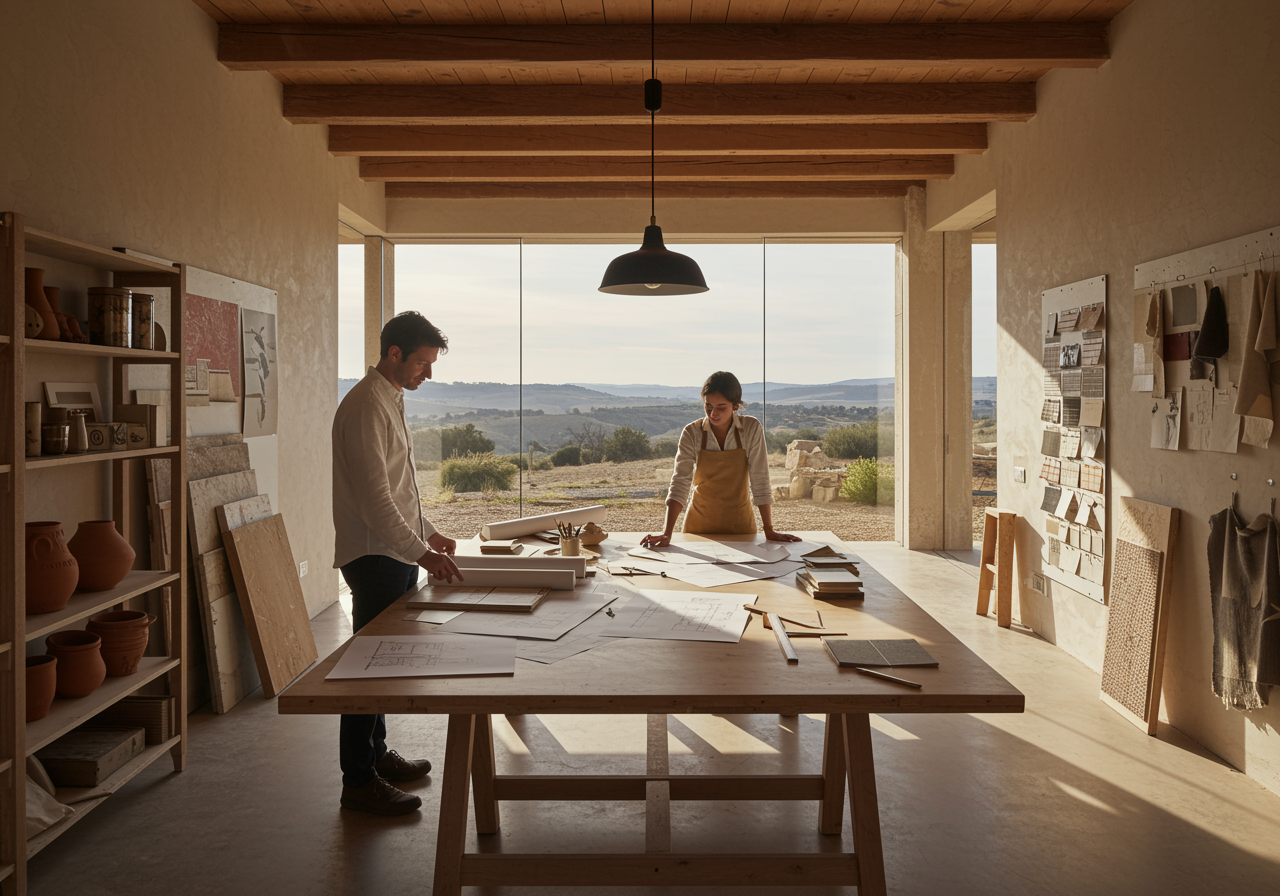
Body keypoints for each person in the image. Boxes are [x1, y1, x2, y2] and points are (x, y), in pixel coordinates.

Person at [331, 310, 464, 815]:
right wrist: (422, 554)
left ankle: (377, 755)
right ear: (394, 354)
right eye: (422, 364)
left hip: (394, 551)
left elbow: (400, 489)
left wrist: (430, 535)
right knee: (367, 670)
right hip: (374, 555)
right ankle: (357, 781)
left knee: (382, 663)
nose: (426, 374)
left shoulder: (389, 398)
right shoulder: (367, 406)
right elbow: (374, 502)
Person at [643, 371, 800, 547]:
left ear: (735, 406)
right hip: (698, 528)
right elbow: (680, 482)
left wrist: (769, 530)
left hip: (741, 527)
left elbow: (760, 479)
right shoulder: (692, 432)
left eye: (721, 407)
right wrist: (667, 533)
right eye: (708, 406)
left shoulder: (751, 428)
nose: (713, 413)